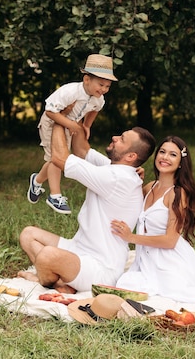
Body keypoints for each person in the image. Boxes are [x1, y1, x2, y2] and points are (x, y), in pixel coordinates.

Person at [18, 122, 156, 293]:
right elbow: (82, 150)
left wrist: (59, 118)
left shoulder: (115, 178)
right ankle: (61, 281)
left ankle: (54, 281)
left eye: (121, 139)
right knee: (28, 235)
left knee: (47, 255)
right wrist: (80, 124)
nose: (115, 137)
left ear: (130, 156)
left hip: (100, 269)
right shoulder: (115, 168)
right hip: (78, 248)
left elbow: (59, 157)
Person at [112, 136, 195, 303]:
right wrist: (133, 175)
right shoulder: (149, 187)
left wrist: (131, 237)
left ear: (180, 163)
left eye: (173, 154)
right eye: (162, 152)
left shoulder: (178, 194)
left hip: (169, 261)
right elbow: (124, 197)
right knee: (125, 285)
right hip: (145, 260)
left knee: (171, 294)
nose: (165, 157)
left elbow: (170, 241)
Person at [27, 54, 118, 214]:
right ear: (87, 80)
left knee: (57, 158)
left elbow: (95, 110)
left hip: (69, 127)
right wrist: (70, 124)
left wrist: (86, 125)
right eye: (101, 84)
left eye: (107, 86)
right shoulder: (70, 91)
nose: (104, 89)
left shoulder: (99, 99)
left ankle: (37, 180)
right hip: (52, 124)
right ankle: (55, 195)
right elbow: (50, 112)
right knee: (57, 158)